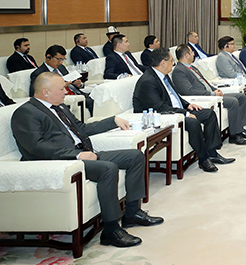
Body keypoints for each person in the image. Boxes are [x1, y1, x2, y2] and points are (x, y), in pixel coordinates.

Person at [11, 72, 163, 248]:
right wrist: (76, 155)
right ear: (46, 92)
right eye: (61, 89)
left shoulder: (59, 107)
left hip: (83, 153)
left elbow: (81, 129)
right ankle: (111, 230)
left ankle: (132, 213)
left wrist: (112, 121)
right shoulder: (25, 113)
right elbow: (36, 147)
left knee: (135, 156)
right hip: (62, 163)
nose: (66, 92)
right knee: (108, 168)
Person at [133, 47, 232, 173]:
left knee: (209, 114)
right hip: (162, 116)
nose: (173, 63)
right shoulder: (148, 81)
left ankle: (212, 153)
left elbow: (175, 96)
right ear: (163, 63)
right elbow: (160, 107)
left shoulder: (163, 75)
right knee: (192, 122)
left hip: (176, 110)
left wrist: (187, 105)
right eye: (171, 60)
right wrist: (185, 113)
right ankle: (204, 159)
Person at [171, 44, 246, 145]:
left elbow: (205, 82)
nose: (194, 54)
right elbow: (189, 91)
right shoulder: (179, 71)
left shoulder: (192, 67)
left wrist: (216, 90)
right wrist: (212, 93)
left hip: (211, 93)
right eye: (192, 52)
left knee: (241, 97)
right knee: (233, 101)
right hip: (204, 98)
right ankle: (235, 135)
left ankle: (240, 129)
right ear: (186, 55)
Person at [29, 45, 94, 115]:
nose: (61, 62)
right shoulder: (39, 73)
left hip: (76, 92)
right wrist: (61, 86)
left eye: (63, 59)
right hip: (63, 97)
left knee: (95, 97)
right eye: (59, 59)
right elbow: (35, 93)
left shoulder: (61, 68)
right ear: (48, 57)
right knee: (90, 102)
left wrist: (78, 84)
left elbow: (70, 81)